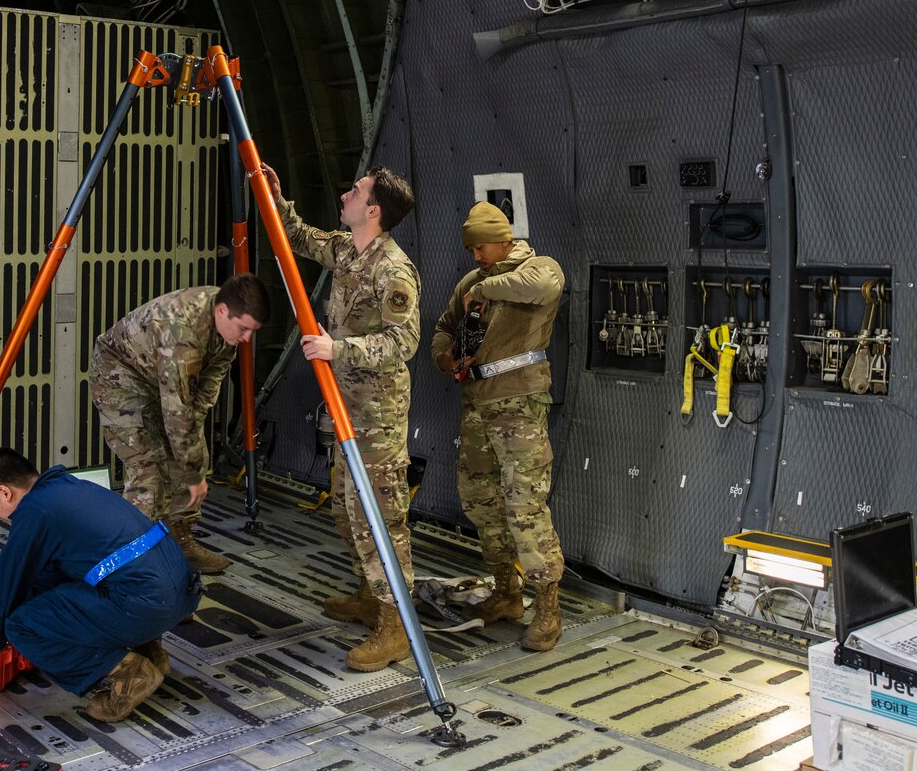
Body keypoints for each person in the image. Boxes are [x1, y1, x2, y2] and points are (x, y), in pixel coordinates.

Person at [261, 164, 422, 671]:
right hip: (345, 408)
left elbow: (404, 342)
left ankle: (395, 625)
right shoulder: (348, 250)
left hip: (376, 416)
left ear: (373, 210)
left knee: (380, 517)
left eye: (355, 191)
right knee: (346, 511)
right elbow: (298, 238)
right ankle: (368, 595)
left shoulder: (392, 270)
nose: (345, 193)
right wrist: (278, 195)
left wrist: (338, 349)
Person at [0, 448, 201, 723]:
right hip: (182, 592)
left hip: (146, 603)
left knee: (21, 626)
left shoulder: (35, 510)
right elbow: (42, 577)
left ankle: (129, 675)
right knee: (56, 593)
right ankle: (147, 651)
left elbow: (8, 575)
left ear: (5, 492)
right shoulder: (68, 488)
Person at [430, 202, 568, 651]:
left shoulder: (537, 268)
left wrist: (487, 290)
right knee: (482, 503)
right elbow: (444, 327)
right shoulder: (469, 283)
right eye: (470, 249)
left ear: (502, 238)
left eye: (480, 246)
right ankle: (507, 594)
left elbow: (543, 287)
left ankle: (548, 609)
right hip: (476, 404)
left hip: (518, 406)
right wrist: (445, 355)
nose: (475, 256)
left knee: (525, 506)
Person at [90, 273, 270, 575]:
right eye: (243, 329)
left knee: (190, 451)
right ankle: (130, 567)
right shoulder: (181, 330)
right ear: (223, 311)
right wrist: (193, 472)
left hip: (160, 379)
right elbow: (178, 413)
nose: (247, 339)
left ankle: (179, 542)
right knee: (150, 471)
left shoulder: (228, 325)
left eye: (253, 331)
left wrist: (193, 462)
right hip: (119, 377)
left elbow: (200, 400)